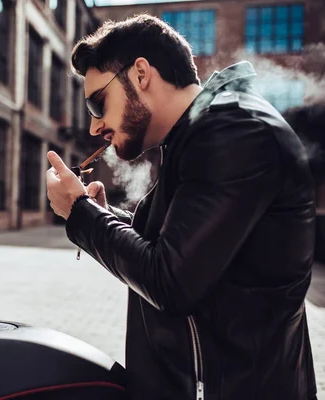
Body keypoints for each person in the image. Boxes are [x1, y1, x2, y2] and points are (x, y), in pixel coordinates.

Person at [46, 15, 317, 400]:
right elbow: (182, 249)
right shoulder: (199, 136)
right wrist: (99, 214)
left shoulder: (234, 131)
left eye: (97, 103)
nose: (94, 127)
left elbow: (170, 280)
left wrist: (79, 212)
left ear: (141, 74)